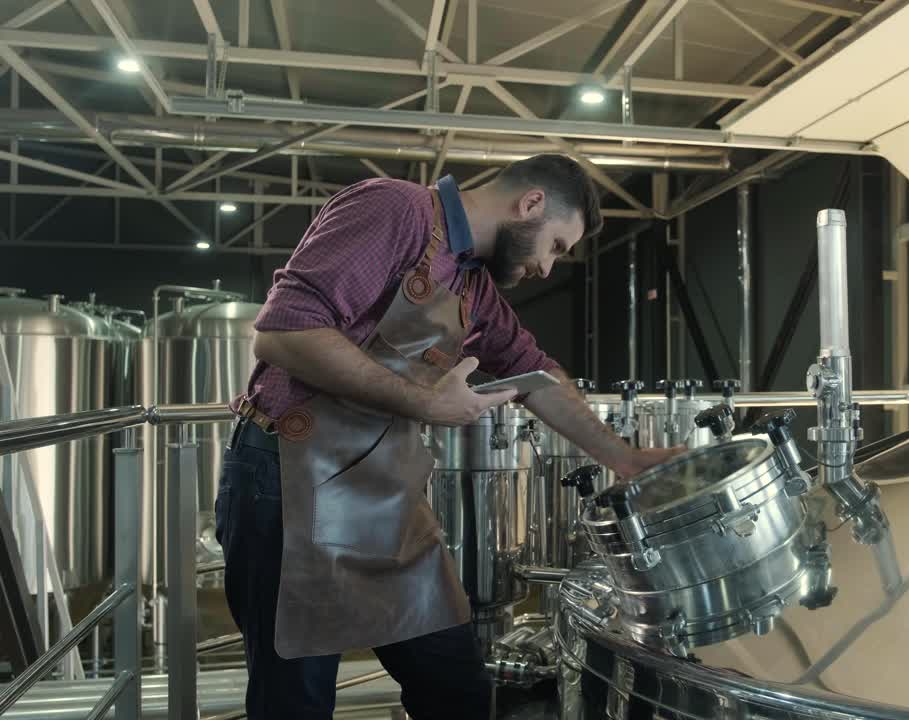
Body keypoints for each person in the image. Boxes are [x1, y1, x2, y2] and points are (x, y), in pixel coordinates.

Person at [217, 154, 679, 719]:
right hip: (288, 482)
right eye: (555, 246)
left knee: (456, 687)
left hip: (382, 495)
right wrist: (427, 402)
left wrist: (624, 458)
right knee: (295, 702)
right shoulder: (396, 209)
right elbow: (284, 334)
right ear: (530, 204)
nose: (547, 268)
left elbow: (535, 373)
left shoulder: (470, 284)